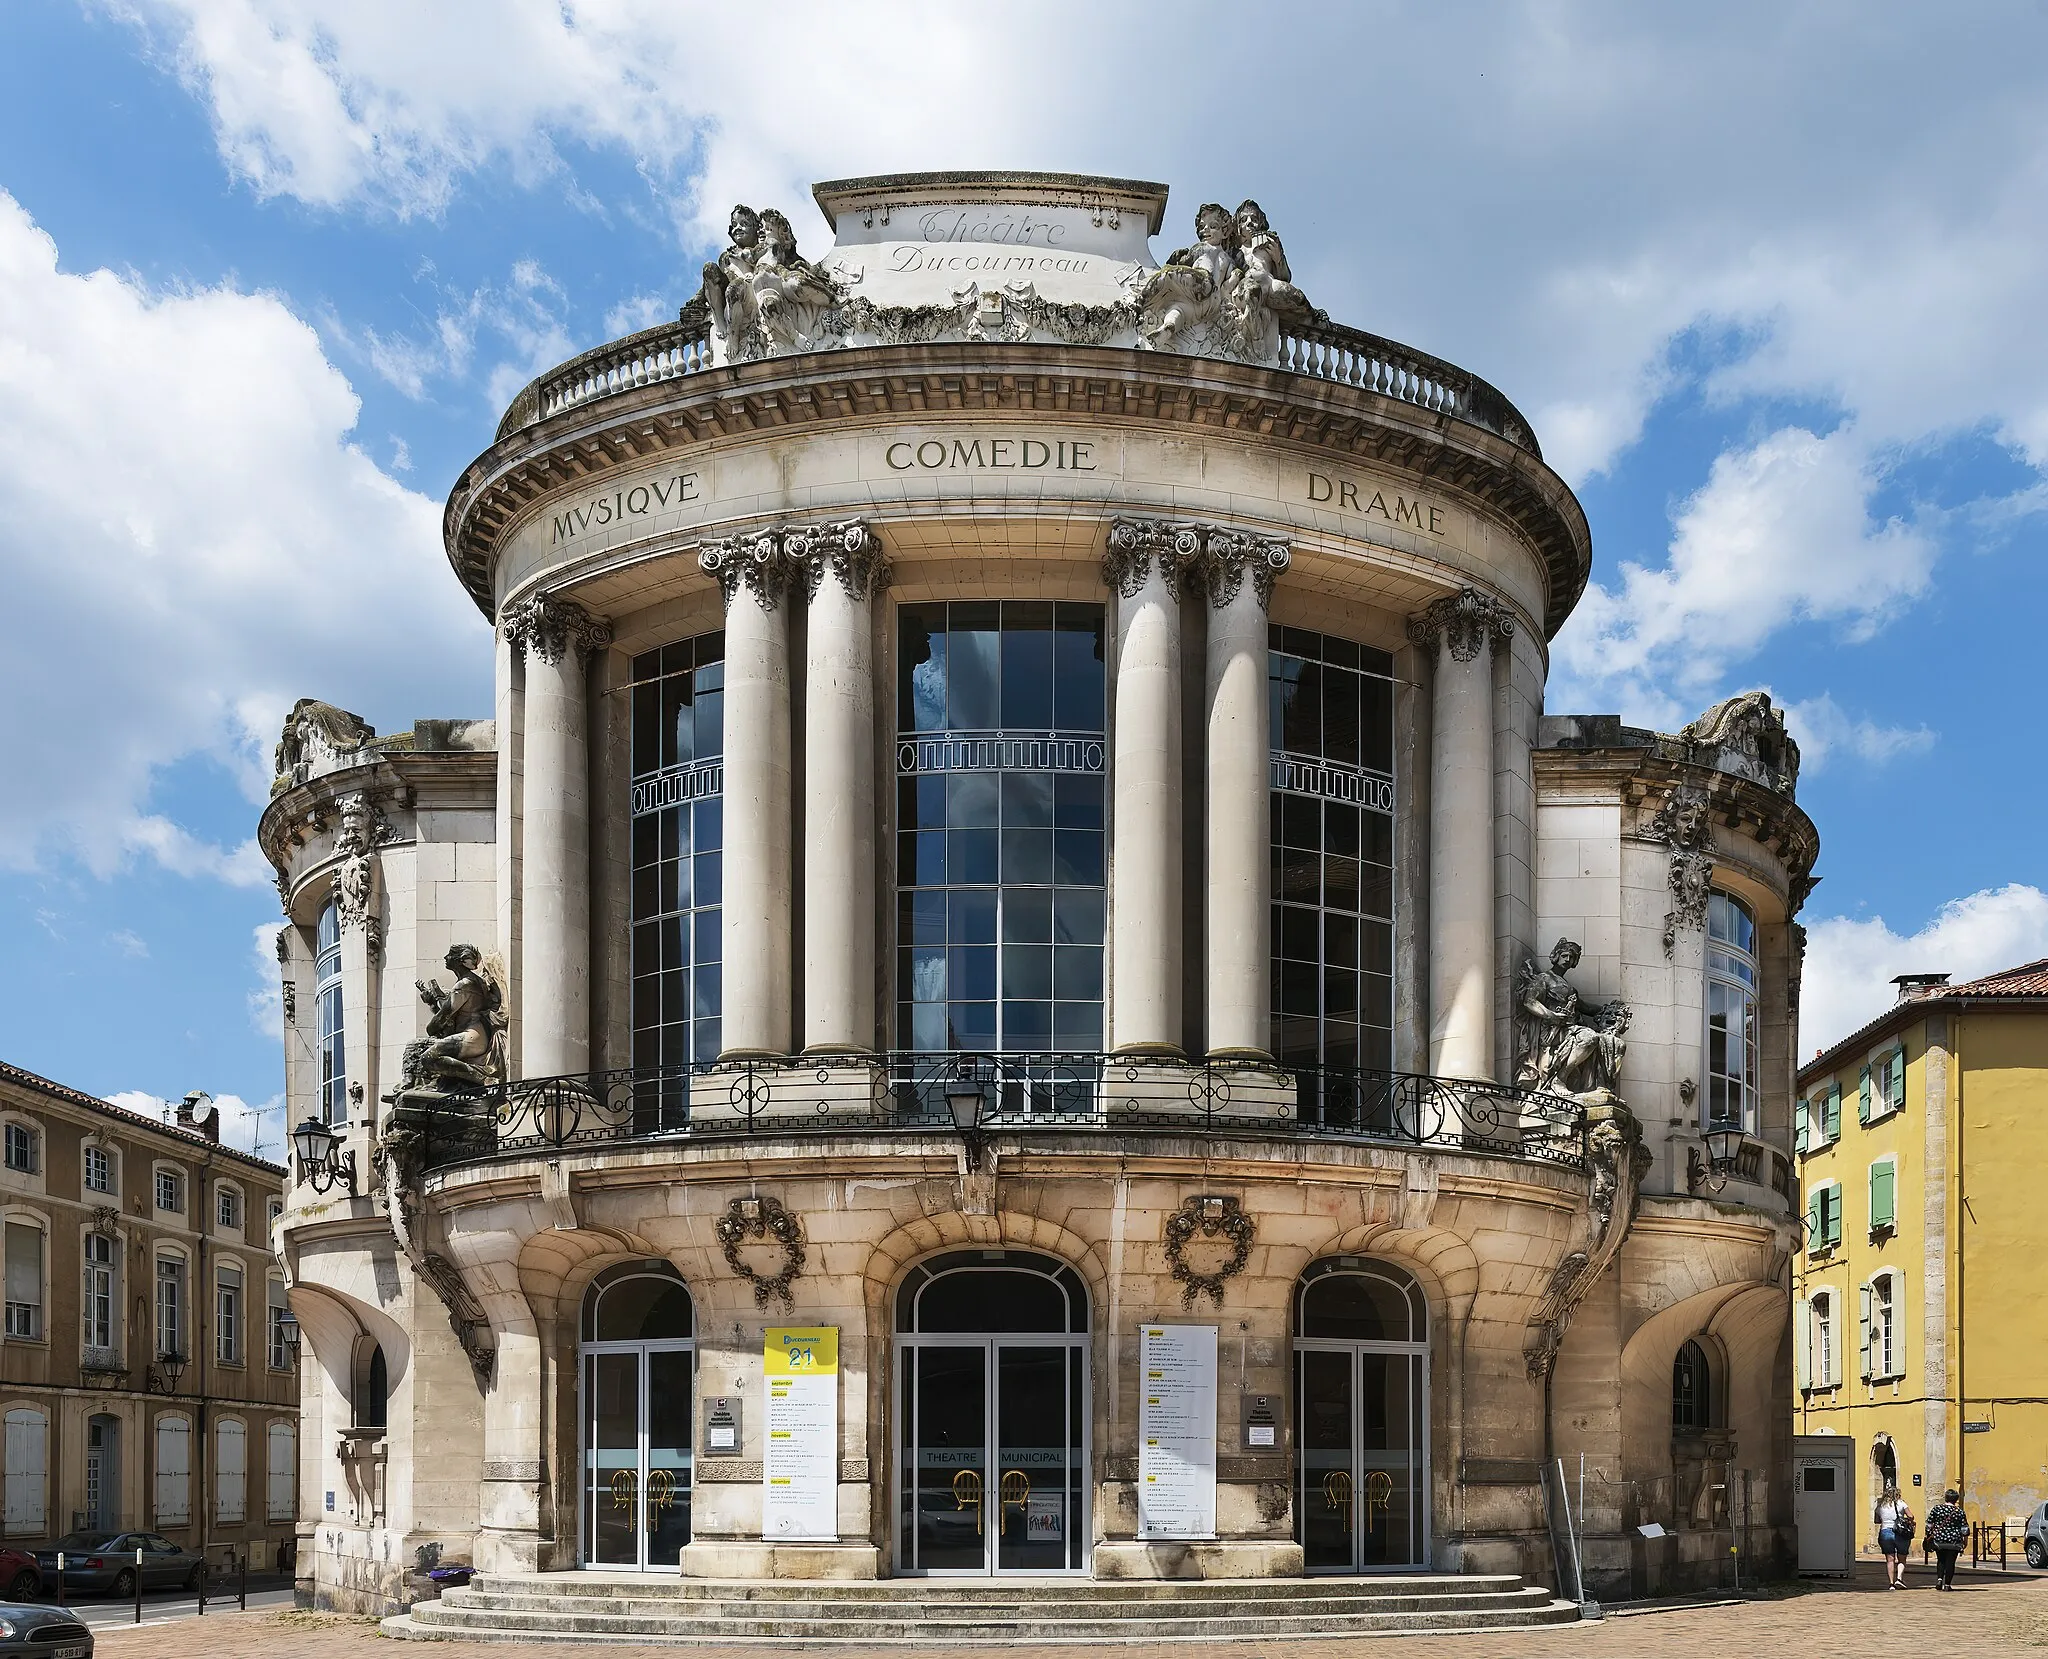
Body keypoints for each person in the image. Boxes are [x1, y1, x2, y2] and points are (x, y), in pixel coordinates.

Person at [1925, 1488, 1969, 1590]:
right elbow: (1964, 1528)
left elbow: (1929, 1524)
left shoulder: (1937, 1509)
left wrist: (1928, 1535)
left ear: (1945, 1498)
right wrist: (1965, 1541)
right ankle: (1947, 1584)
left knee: (1941, 1560)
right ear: (1956, 1499)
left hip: (1939, 1539)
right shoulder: (1959, 1512)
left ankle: (1939, 1579)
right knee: (1951, 1562)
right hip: (1954, 1540)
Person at [1875, 1484, 1915, 1587]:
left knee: (1890, 1559)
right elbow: (1911, 1516)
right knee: (1902, 1558)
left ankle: (1891, 1583)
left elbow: (1877, 1520)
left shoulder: (1880, 1506)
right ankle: (1899, 1579)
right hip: (1900, 1532)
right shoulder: (1901, 1503)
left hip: (1885, 1532)